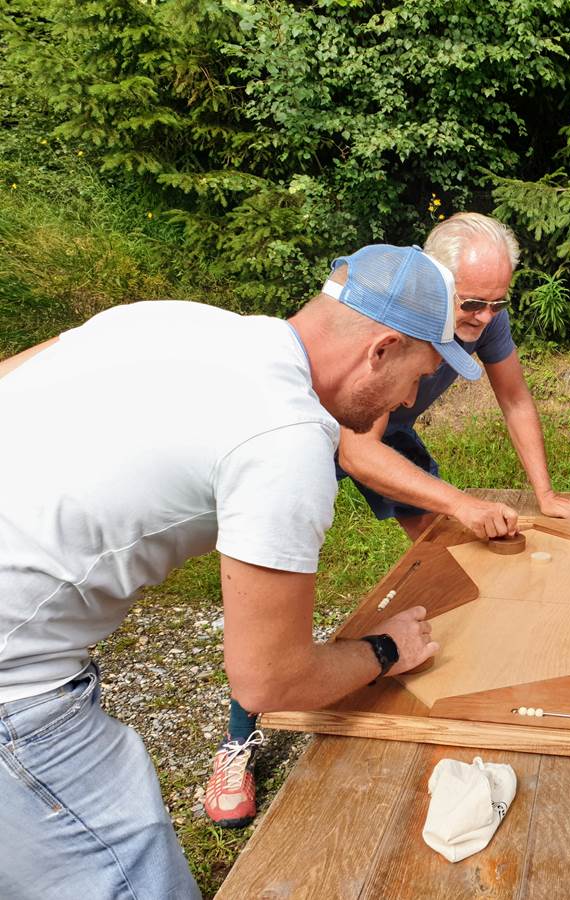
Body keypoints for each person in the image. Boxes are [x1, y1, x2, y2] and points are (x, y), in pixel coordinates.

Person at [0, 246, 468, 898]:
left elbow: (17, 374)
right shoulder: (287, 440)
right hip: (13, 684)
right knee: (133, 878)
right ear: (382, 349)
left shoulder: (175, 321)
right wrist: (388, 648)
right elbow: (268, 678)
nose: (413, 398)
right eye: (420, 375)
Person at [204, 212, 570, 827]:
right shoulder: (390, 309)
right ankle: (238, 744)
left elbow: (515, 397)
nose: (482, 320)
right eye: (472, 304)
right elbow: (353, 447)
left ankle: (439, 674)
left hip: (385, 431)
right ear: (432, 282)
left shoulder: (484, 320)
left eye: (498, 304)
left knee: (443, 556)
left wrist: (546, 493)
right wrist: (461, 502)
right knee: (272, 599)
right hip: (315, 438)